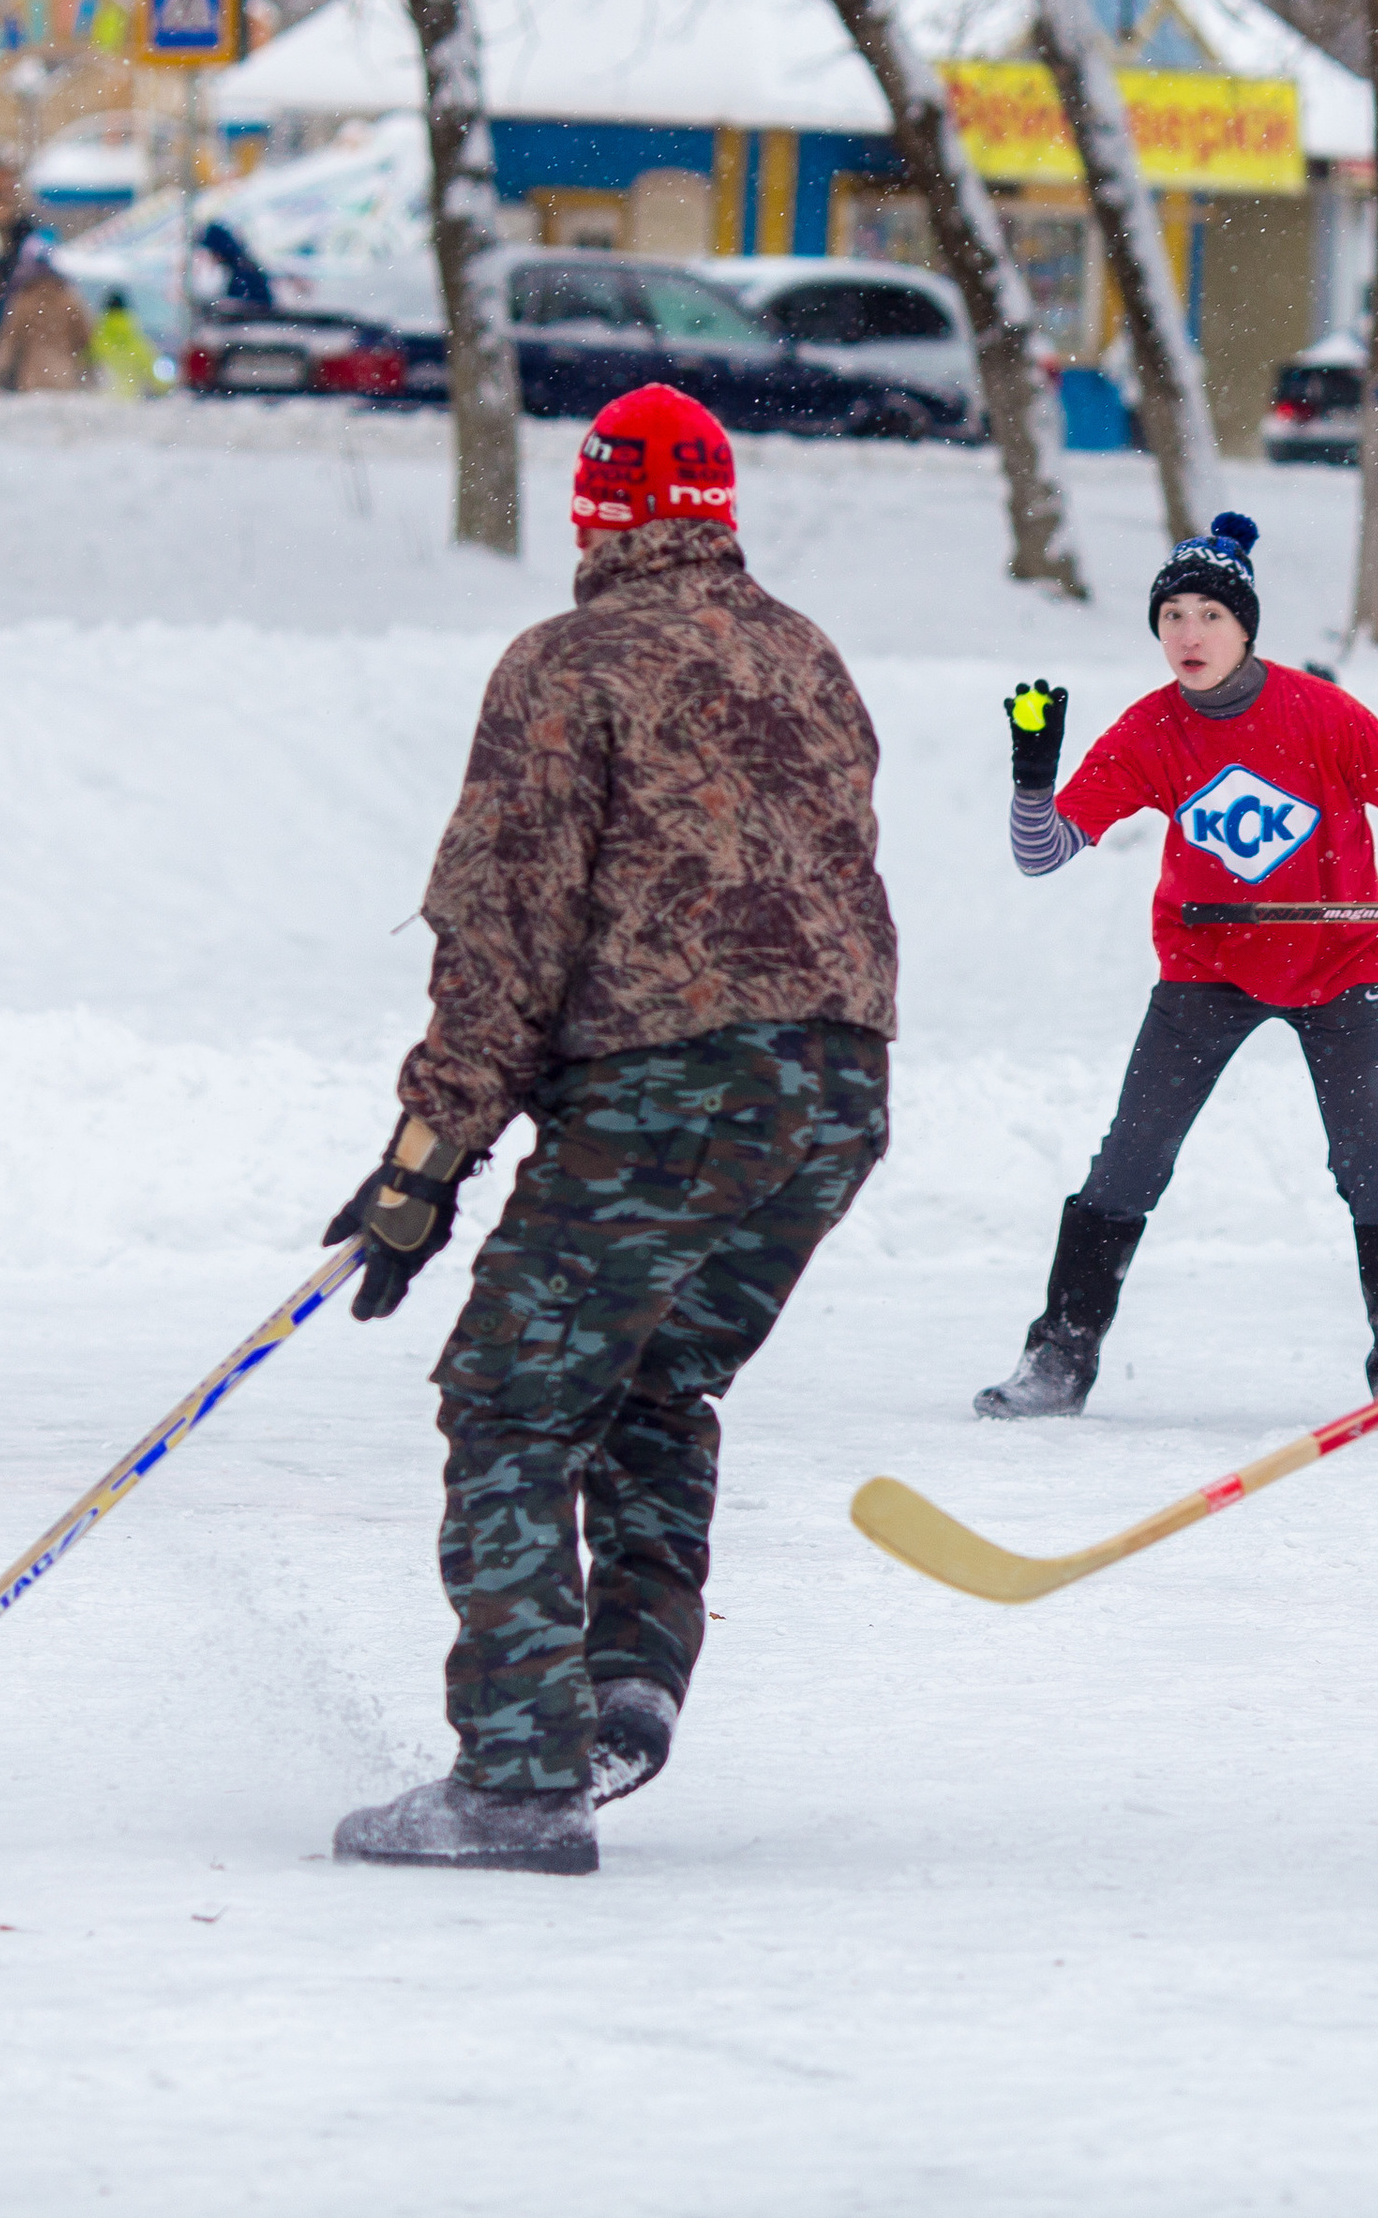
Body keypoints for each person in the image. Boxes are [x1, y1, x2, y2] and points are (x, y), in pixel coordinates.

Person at [327, 384, 896, 1876]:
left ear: (593, 510)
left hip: (669, 1092)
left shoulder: (565, 666)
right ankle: (624, 1685)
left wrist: (424, 1158)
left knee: (515, 1400)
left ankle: (519, 1779)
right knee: (648, 1384)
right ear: (718, 507)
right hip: (835, 1093)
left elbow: (508, 926)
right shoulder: (805, 654)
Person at [979, 511, 1378, 1430]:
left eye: (1209, 614)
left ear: (1245, 626)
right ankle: (1058, 1360)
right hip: (1207, 967)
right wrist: (1031, 776)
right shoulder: (1148, 733)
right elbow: (1042, 854)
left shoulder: (1320, 714)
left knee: (1369, 1164)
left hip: (1340, 965)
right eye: (1172, 616)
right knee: (1131, 1157)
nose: (1188, 635)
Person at [0, 233, 94, 393]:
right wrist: (90, 375)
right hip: (65, 380)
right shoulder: (69, 300)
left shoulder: (24, 300)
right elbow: (87, 342)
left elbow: (9, 344)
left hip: (31, 381)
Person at [89, 292, 166, 400]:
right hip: (131, 403)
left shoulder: (95, 340)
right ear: (127, 310)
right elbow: (158, 381)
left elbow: (84, 368)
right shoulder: (138, 342)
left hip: (101, 401)